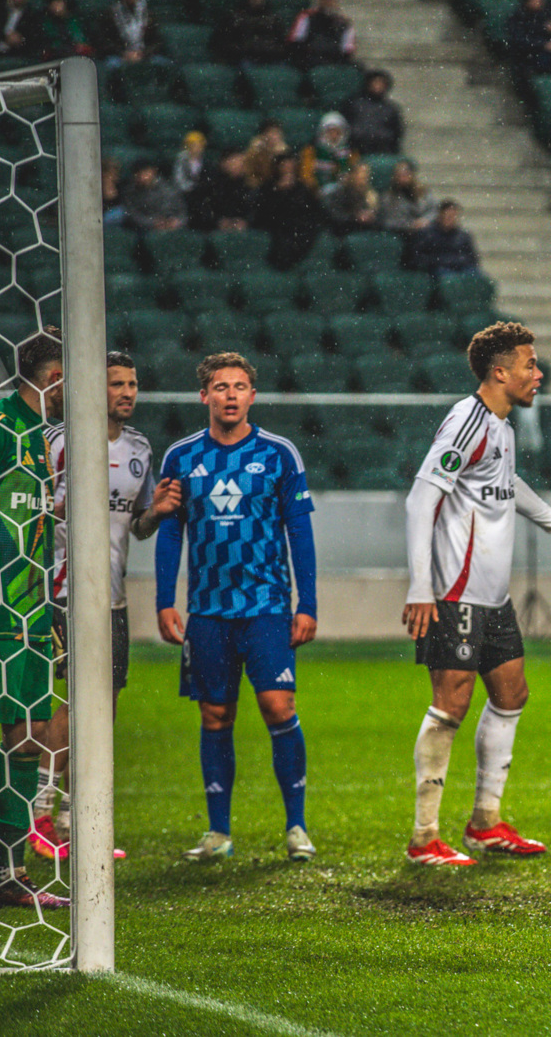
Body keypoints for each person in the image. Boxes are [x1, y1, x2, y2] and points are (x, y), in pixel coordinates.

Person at [401, 323, 551, 866]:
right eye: (530, 365)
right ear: (499, 372)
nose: (539, 374)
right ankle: (423, 838)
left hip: (493, 596)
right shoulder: (466, 420)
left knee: (511, 695)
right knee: (451, 705)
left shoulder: (501, 428)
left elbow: (509, 486)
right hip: (455, 593)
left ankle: (485, 823)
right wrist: (421, 588)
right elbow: (421, 499)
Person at [155, 353, 318, 863]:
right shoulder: (181, 457)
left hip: (267, 606)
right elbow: (170, 530)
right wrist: (164, 600)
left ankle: (296, 826)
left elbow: (300, 530)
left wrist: (306, 602)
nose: (230, 395)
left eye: (240, 386)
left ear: (253, 395)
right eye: (220, 387)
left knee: (278, 707)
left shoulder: (279, 453)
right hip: (207, 611)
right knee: (216, 714)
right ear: (204, 396)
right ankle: (218, 832)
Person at [34, 352, 181, 859]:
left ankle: (78, 822)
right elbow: (32, 511)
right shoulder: (57, 441)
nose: (127, 392)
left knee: (106, 706)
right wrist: (64, 503)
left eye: (132, 383)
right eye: (116, 383)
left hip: (112, 598)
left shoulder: (140, 447)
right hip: (63, 591)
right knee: (76, 702)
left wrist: (158, 512)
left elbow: (136, 527)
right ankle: (40, 814)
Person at [0, 335, 67, 909]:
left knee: (26, 741)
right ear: (52, 374)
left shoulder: (44, 439)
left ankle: (8, 874)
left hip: (28, 617)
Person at [215, 0, 287, 67]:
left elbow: (283, 45)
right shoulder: (234, 17)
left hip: (271, 59)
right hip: (244, 60)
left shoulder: (274, 18)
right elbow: (221, 44)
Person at [92, 0, 162, 66]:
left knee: (162, 64)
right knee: (112, 64)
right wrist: (123, 53)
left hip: (144, 54)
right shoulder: (110, 14)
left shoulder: (148, 13)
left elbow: (157, 40)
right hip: (119, 55)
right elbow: (104, 41)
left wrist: (143, 53)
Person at [288, 0, 356, 68]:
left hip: (333, 64)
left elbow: (347, 50)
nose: (328, 2)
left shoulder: (344, 23)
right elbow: (295, 42)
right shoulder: (306, 17)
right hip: (309, 62)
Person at [409, 200, 480, 277]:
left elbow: (472, 258)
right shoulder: (427, 234)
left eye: (454, 216)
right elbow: (418, 257)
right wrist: (442, 261)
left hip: (460, 267)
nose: (451, 219)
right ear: (440, 216)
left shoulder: (463, 236)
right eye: (448, 216)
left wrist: (456, 261)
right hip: (438, 269)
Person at [342, 70, 405, 155]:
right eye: (375, 82)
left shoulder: (390, 109)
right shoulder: (355, 105)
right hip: (357, 151)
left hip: (382, 151)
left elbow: (396, 132)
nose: (378, 86)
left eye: (381, 83)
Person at [123, 159, 187, 232]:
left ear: (153, 172)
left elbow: (183, 213)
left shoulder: (168, 188)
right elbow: (132, 215)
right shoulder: (130, 190)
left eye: (146, 172)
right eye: (139, 173)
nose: (142, 176)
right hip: (146, 230)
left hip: (171, 228)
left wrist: (176, 221)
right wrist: (152, 223)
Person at [379, 159, 437, 233]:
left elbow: (433, 210)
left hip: (425, 227)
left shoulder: (423, 192)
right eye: (399, 175)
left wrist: (425, 220)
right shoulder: (388, 197)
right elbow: (388, 221)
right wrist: (411, 225)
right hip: (404, 231)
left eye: (406, 175)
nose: (403, 179)